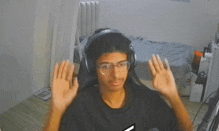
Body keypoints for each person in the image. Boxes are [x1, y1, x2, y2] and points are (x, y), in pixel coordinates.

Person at [43, 28, 193, 131]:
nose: (116, 75)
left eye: (121, 65)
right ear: (92, 67)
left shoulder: (147, 100)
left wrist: (173, 96)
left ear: (130, 64)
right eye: (105, 66)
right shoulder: (81, 105)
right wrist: (56, 109)